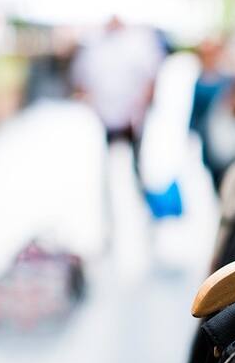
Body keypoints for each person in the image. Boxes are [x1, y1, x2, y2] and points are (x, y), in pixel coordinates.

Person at [70, 15, 164, 240]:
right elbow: (81, 82)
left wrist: (138, 110)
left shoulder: (137, 44)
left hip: (132, 117)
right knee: (105, 170)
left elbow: (151, 79)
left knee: (138, 169)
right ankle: (109, 219)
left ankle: (144, 214)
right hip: (104, 117)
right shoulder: (94, 47)